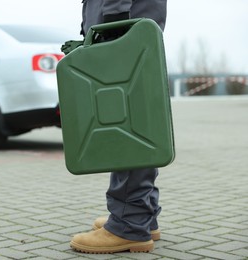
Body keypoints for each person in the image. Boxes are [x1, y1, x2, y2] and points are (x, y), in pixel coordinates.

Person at [69, 0, 168, 254]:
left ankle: (128, 225)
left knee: (125, 124)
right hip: (129, 21)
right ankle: (142, 214)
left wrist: (113, 21)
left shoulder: (119, 22)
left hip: (122, 23)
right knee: (136, 120)